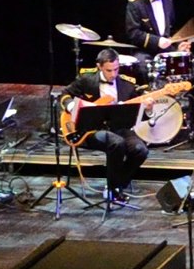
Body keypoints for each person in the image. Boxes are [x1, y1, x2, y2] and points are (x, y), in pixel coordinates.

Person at [60, 48, 149, 202]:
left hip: (118, 127)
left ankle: (116, 184)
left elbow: (137, 113)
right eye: (109, 70)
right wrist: (72, 107)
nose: (113, 74)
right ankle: (114, 189)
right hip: (89, 130)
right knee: (116, 143)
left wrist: (148, 108)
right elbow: (64, 95)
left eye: (116, 69)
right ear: (99, 66)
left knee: (140, 150)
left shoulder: (127, 85)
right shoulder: (86, 80)